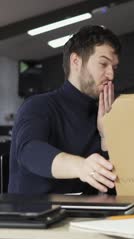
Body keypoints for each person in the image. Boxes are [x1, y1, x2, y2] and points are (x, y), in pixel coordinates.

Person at [9, 25, 120, 194]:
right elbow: (29, 151)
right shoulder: (38, 105)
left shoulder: (102, 115)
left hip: (84, 216)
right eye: (103, 64)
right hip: (33, 215)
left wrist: (106, 136)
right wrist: (81, 166)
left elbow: (112, 187)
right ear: (76, 61)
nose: (111, 75)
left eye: (114, 68)